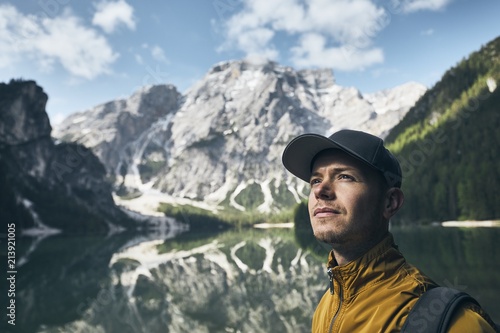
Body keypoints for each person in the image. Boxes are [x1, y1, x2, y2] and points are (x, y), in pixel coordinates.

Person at [282, 129, 497, 332]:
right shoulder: (326, 307)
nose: (320, 190)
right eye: (315, 180)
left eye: (344, 177)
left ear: (390, 202)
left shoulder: (453, 322)